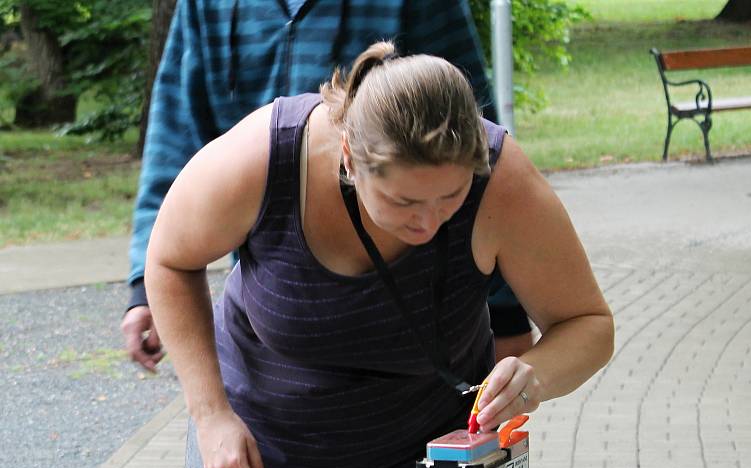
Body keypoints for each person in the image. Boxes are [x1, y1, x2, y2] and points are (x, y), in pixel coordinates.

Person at [144, 41, 614, 468]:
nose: (429, 221)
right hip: (259, 445)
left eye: (450, 197)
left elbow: (587, 322)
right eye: (402, 201)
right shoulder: (265, 157)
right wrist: (210, 414)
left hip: (416, 455)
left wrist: (535, 374)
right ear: (348, 157)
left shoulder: (502, 182)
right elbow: (170, 259)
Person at [122, 0, 533, 374]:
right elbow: (175, 137)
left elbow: (470, 143)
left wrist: (506, 308)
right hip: (273, 297)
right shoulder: (208, 7)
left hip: (410, 298)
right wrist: (146, 284)